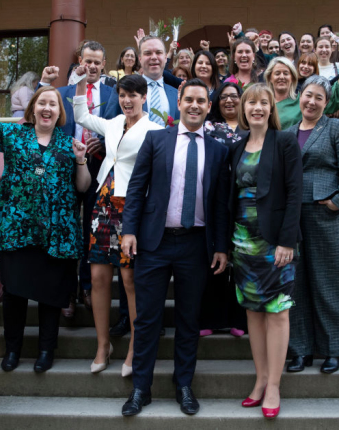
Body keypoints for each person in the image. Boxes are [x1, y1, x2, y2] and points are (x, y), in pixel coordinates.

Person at [0, 69, 91, 374]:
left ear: (60, 112)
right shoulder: (13, 136)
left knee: (51, 297)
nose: (47, 108)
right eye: (42, 103)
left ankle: (46, 350)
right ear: (33, 109)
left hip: (57, 233)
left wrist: (81, 160)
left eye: (53, 104)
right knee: (14, 294)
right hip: (16, 231)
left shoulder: (67, 144)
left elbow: (83, 187)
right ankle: (13, 350)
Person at [120, 78, 230, 417]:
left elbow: (220, 206)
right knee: (148, 319)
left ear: (209, 107)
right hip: (154, 243)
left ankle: (183, 385)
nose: (195, 105)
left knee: (188, 319)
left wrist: (222, 246)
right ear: (178, 102)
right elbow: (136, 189)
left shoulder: (218, 150)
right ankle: (141, 388)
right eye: (189, 99)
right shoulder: (156, 140)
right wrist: (129, 231)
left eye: (201, 100)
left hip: (196, 246)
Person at [73, 73, 163, 378]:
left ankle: (136, 347)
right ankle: (103, 346)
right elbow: (82, 115)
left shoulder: (156, 129)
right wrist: (81, 84)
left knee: (129, 281)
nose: (127, 100)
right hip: (103, 203)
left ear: (144, 97)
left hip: (133, 209)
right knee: (98, 278)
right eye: (123, 94)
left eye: (133, 95)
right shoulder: (111, 123)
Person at [230, 84, 302, 419]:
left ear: (271, 107)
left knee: (278, 311)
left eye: (263, 102)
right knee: (253, 313)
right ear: (243, 109)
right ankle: (259, 380)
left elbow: (294, 192)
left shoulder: (285, 141)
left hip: (276, 244)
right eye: (250, 103)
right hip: (243, 244)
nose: (256, 108)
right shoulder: (237, 146)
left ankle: (274, 384)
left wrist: (287, 241)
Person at [286, 75, 339, 375]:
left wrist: (337, 202)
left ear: (326, 102)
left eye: (319, 97)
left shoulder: (337, 127)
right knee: (296, 285)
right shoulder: (288, 133)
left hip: (325, 214)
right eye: (308, 95)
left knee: (330, 281)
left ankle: (333, 349)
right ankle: (300, 350)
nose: (312, 101)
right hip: (293, 217)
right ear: (299, 96)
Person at [39, 40, 113, 318]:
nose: (92, 66)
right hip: (65, 171)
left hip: (100, 170)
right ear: (80, 61)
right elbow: (43, 121)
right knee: (65, 229)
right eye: (87, 61)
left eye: (97, 62)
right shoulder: (61, 93)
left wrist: (103, 144)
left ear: (103, 65)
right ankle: (67, 291)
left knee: (91, 231)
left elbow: (122, 127)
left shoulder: (114, 94)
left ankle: (87, 287)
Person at [199, 82, 248, 338]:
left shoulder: (251, 128)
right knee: (215, 258)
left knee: (240, 260)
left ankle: (238, 318)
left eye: (234, 96)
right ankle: (211, 317)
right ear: (217, 102)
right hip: (214, 199)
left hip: (244, 201)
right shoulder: (208, 127)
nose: (229, 101)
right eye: (224, 97)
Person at [267, 43, 339, 130]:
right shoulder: (263, 102)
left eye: (286, 73)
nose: (282, 77)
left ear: (293, 78)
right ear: (269, 77)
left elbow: (337, 93)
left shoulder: (303, 101)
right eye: (277, 73)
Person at [104, 36, 180, 125]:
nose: (154, 57)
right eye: (148, 53)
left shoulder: (176, 93)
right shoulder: (121, 89)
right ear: (140, 58)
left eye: (158, 52)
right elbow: (108, 126)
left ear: (165, 57)